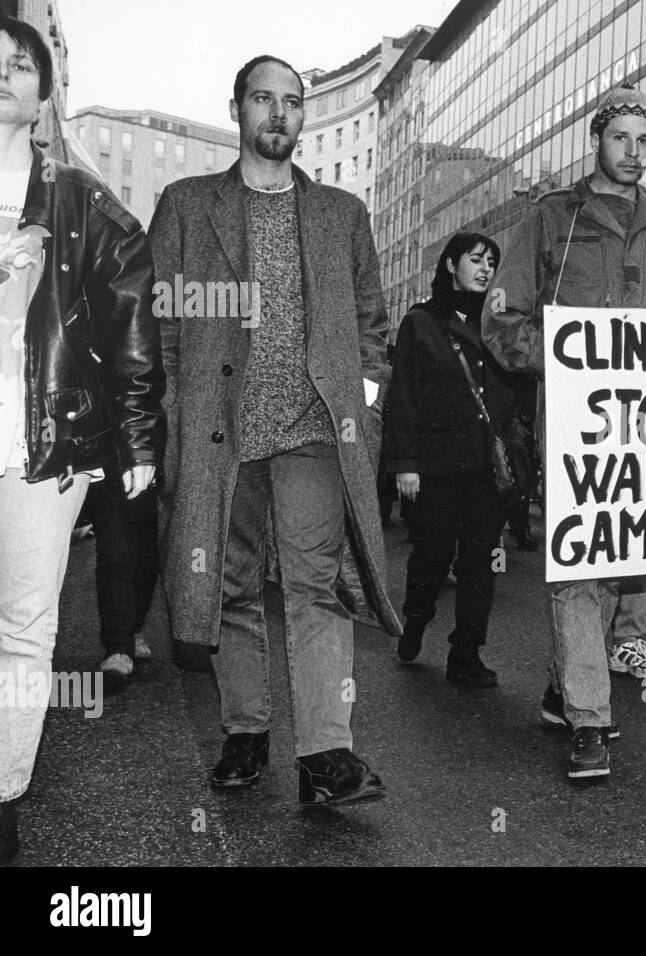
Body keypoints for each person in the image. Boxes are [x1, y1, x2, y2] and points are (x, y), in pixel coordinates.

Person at [151, 55, 399, 806]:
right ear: (238, 108)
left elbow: (371, 326)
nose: (280, 114)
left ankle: (327, 753)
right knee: (229, 587)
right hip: (220, 433)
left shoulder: (339, 214)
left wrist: (362, 404)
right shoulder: (188, 206)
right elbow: (160, 325)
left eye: (293, 102)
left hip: (313, 433)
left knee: (317, 588)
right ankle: (246, 731)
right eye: (265, 99)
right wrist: (171, 421)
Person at [482, 85, 646, 780]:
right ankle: (589, 719)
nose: (635, 154)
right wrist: (566, 362)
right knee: (581, 564)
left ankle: (563, 683)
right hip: (577, 425)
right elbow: (503, 318)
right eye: (621, 140)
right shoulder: (553, 218)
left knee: (619, 560)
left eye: (645, 142)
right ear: (596, 142)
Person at [0, 14, 163, 865]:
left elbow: (131, 320)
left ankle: (4, 794)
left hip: (45, 444)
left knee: (26, 629)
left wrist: (137, 441)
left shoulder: (80, 198)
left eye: (20, 65)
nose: (3, 75)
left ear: (44, 91)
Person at [384, 232, 531, 685]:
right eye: (475, 260)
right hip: (436, 465)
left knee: (480, 563)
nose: (485, 269)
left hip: (488, 467)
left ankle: (466, 654)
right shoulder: (422, 322)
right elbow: (404, 394)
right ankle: (415, 620)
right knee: (431, 555)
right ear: (451, 264)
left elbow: (521, 385)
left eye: (492, 262)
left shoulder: (502, 324)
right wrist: (405, 462)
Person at [89, 467, 160, 687]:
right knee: (114, 552)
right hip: (112, 460)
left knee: (148, 558)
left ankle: (135, 627)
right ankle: (118, 645)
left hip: (158, 467)